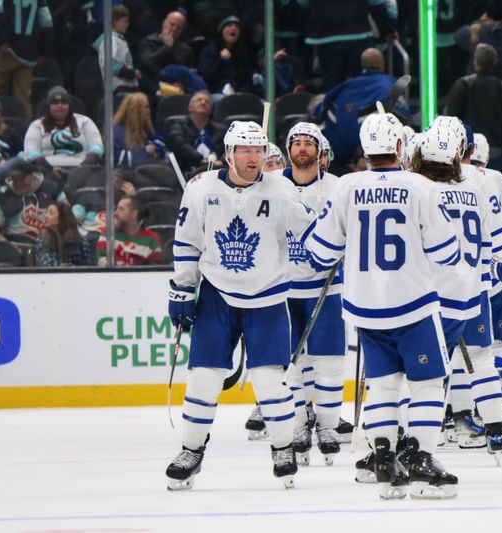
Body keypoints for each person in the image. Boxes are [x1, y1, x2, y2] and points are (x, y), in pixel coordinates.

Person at [304, 110, 461, 500]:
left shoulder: (345, 187)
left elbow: (318, 252)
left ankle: (385, 460)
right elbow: (448, 252)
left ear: (364, 148)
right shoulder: (421, 186)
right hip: (414, 304)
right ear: (398, 147)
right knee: (426, 386)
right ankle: (422, 461)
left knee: (382, 387)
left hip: (364, 308)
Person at [165, 120, 316, 491]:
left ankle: (283, 448)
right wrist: (183, 289)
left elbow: (314, 233)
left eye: (259, 150)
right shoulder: (201, 190)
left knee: (270, 382)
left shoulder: (281, 190)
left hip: (268, 297)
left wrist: (341, 244)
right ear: (229, 154)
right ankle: (191, 449)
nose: (254, 157)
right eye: (246, 151)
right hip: (217, 295)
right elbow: (187, 242)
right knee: (203, 377)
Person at [411, 119, 502, 461]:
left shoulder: (417, 190)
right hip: (474, 293)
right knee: (482, 362)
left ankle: (414, 440)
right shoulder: (478, 187)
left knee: (423, 372)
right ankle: (496, 431)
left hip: (430, 297)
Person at [267, 122, 344, 466]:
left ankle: (327, 426)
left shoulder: (338, 188)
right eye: (295, 143)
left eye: (307, 144)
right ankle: (300, 424)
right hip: (284, 288)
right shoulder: (272, 186)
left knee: (328, 363)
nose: (301, 148)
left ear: (319, 151)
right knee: (292, 365)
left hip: (327, 289)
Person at [313, 48, 409, 173]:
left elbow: (319, 111)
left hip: (339, 158)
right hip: (377, 155)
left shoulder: (344, 86)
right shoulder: (392, 85)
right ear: (382, 64)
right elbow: (404, 122)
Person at [446, 44, 502, 173]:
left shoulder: (462, 85)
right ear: (494, 62)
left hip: (466, 155)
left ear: (475, 61)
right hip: (496, 154)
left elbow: (452, 121)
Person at [299, 1, 397, 91]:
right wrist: (387, 32)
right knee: (364, 85)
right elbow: (377, 5)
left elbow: (302, 3)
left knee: (333, 88)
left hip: (326, 37)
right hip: (359, 34)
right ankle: (363, 108)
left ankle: (335, 109)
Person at [0, 0, 54, 117]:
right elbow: (47, 22)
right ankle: (25, 129)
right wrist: (43, 52)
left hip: (3, 51)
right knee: (23, 99)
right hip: (28, 54)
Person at [0, 160, 66, 243]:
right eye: (15, 180)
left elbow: (69, 213)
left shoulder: (52, 188)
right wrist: (7, 247)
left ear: (32, 176)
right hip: (15, 246)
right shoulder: (2, 196)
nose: (18, 183)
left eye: (22, 179)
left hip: (50, 244)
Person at [23, 86, 103, 171]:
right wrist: (49, 169)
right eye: (55, 103)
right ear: (49, 106)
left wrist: (83, 167)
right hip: (47, 171)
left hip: (82, 170)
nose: (60, 106)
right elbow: (31, 151)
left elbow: (97, 147)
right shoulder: (37, 125)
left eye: (64, 102)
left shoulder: (85, 121)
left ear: (69, 106)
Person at [137, 11, 195, 96]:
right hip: (150, 87)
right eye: (172, 24)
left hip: (176, 90)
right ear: (164, 23)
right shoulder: (147, 42)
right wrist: (167, 48)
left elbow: (190, 73)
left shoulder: (186, 50)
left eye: (178, 27)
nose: (174, 29)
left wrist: (182, 83)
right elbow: (147, 64)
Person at [167, 91, 226, 174]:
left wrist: (222, 161)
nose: (203, 102)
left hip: (215, 172)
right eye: (199, 100)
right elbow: (178, 144)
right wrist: (200, 159)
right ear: (190, 107)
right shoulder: (178, 125)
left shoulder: (221, 130)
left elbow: (229, 149)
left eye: (207, 101)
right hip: (186, 171)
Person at [198, 15, 255, 101]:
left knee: (265, 105)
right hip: (215, 94)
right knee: (224, 101)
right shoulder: (208, 51)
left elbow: (248, 81)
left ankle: (268, 115)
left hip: (238, 95)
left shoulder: (242, 55)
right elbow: (207, 78)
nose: (234, 28)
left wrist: (242, 93)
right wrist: (221, 60)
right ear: (221, 30)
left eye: (237, 27)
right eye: (229, 26)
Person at [96, 196, 161, 266]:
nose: (115, 213)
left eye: (121, 209)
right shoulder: (108, 235)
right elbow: (103, 267)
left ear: (133, 214)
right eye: (116, 208)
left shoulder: (151, 239)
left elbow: (153, 272)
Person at [93, 4, 141, 96]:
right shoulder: (110, 39)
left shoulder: (119, 39)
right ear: (115, 22)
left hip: (128, 90)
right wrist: (132, 73)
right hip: (119, 90)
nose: (127, 24)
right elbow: (110, 63)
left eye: (128, 21)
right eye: (124, 21)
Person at [113, 93, 167, 167]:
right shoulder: (118, 131)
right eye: (146, 108)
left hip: (147, 170)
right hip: (127, 174)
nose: (149, 111)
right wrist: (145, 151)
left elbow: (160, 142)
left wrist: (154, 147)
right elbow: (119, 159)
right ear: (136, 111)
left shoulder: (145, 127)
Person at [35, 201, 96, 266]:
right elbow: (48, 265)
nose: (46, 216)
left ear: (63, 217)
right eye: (46, 213)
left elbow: (86, 267)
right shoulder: (42, 241)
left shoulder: (82, 242)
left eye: (51, 213)